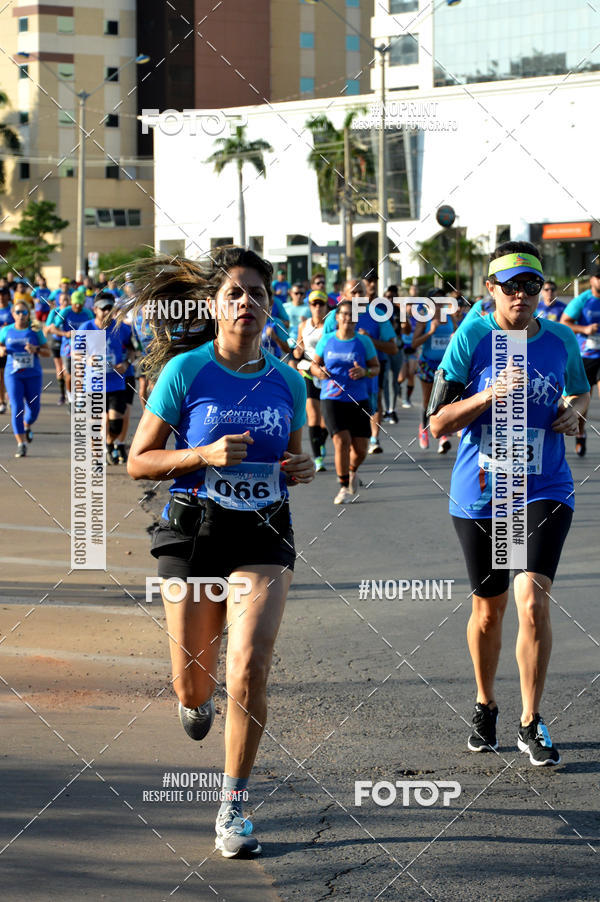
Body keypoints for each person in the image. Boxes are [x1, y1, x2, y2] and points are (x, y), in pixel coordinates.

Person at [125, 247, 314, 859]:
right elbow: (138, 461)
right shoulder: (186, 372)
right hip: (193, 532)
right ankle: (193, 700)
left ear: (270, 308)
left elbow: (297, 453)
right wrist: (201, 456)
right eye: (235, 293)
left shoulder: (288, 380)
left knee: (250, 666)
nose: (246, 304)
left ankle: (234, 803)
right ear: (214, 306)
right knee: (193, 686)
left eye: (257, 294)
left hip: (262, 532)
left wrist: (303, 465)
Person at [429, 240, 590, 766]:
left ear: (542, 290)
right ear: (491, 289)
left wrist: (575, 413)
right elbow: (436, 422)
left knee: (531, 600)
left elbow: (579, 392)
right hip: (483, 491)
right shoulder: (472, 337)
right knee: (488, 611)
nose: (522, 295)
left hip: (543, 487)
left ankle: (530, 719)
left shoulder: (561, 339)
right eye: (511, 286)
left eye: (532, 286)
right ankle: (485, 703)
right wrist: (486, 396)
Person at [310, 299, 379, 504]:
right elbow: (314, 365)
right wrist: (319, 372)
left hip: (358, 399)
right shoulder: (327, 339)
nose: (348, 318)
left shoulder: (364, 342)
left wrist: (364, 371)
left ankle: (351, 471)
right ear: (337, 317)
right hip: (332, 398)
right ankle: (344, 487)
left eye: (352, 315)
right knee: (341, 442)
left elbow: (376, 368)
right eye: (344, 314)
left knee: (360, 449)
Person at [78, 292, 136, 464]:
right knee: (95, 424)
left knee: (115, 425)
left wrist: (126, 363)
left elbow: (133, 350)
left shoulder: (122, 329)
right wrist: (86, 359)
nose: (107, 312)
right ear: (95, 309)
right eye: (103, 309)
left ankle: (109, 444)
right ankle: (96, 459)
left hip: (115, 383)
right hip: (94, 384)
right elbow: (76, 352)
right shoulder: (86, 328)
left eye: (110, 308)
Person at [0, 300, 50, 456]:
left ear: (29, 314)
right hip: (13, 374)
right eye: (18, 312)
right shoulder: (6, 330)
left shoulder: (35, 330)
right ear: (13, 314)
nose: (21, 315)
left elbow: (47, 352)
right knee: (16, 407)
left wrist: (35, 349)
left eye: (24, 312)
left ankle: (27, 424)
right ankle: (21, 443)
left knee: (34, 409)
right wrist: (1, 350)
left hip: (33, 374)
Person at [560, 264, 600, 457]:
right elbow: (564, 322)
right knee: (584, 397)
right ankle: (581, 433)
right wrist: (585, 330)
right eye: (598, 277)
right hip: (585, 356)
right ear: (592, 280)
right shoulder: (582, 300)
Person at [411, 290, 455, 453]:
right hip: (428, 364)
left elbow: (459, 335)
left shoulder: (450, 317)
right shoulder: (424, 319)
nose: (438, 304)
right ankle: (424, 429)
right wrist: (430, 332)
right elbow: (414, 343)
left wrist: (454, 336)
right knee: (428, 401)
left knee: (445, 400)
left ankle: (443, 435)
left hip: (445, 365)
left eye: (441, 301)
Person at [294, 289, 329, 471]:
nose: (317, 307)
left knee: (326, 421)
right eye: (314, 304)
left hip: (325, 373)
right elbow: (298, 347)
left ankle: (321, 442)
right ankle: (317, 458)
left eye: (320, 304)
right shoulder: (304, 325)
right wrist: (297, 351)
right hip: (307, 370)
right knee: (313, 415)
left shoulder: (330, 326)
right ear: (309, 306)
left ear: (325, 306)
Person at [48, 291, 94, 403]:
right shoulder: (65, 312)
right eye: (76, 303)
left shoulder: (88, 313)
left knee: (82, 373)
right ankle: (70, 396)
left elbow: (95, 328)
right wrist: (65, 334)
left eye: (80, 303)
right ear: (72, 302)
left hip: (84, 348)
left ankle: (80, 398)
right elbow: (52, 328)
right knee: (69, 375)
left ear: (83, 303)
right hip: (68, 348)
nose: (78, 306)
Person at [44, 290, 71, 404]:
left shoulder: (71, 312)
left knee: (67, 371)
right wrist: (60, 331)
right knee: (60, 369)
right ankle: (62, 395)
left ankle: (68, 392)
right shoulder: (55, 312)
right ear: (58, 301)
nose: (65, 302)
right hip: (57, 342)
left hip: (69, 344)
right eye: (62, 300)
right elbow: (47, 329)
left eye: (66, 300)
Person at [382, 284, 404, 424]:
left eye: (393, 297)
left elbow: (406, 330)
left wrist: (402, 322)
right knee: (385, 379)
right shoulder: (379, 310)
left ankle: (392, 408)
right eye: (388, 296)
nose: (390, 299)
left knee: (395, 380)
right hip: (385, 348)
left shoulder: (398, 310)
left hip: (397, 347)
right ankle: (386, 410)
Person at [0, 286, 15, 414]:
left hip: (11, 346)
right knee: (0, 376)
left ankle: (10, 398)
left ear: (8, 296)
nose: (1, 297)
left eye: (4, 294)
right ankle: (2, 402)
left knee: (9, 374)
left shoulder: (12, 310)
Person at [283, 283, 310, 353]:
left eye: (301, 293)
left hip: (303, 344)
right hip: (285, 344)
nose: (299, 296)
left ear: (305, 295)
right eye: (296, 293)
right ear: (291, 293)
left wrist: (307, 322)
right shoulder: (284, 307)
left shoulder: (310, 308)